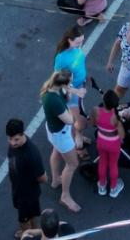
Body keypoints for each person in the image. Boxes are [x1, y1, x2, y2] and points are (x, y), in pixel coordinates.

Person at [39, 68, 82, 214]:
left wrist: (69, 91)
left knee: (56, 152)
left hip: (53, 131)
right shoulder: (54, 101)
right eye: (69, 82)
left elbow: (67, 99)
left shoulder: (52, 89)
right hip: (61, 135)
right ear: (63, 83)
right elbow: (71, 120)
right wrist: (73, 113)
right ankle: (65, 196)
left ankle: (56, 179)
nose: (71, 84)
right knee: (72, 164)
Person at [6, 118, 47, 237]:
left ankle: (26, 233)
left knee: (23, 219)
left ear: (23, 134)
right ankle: (33, 231)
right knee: (31, 214)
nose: (12, 143)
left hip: (27, 195)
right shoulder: (14, 146)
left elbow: (44, 178)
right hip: (19, 189)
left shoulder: (31, 154)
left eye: (16, 139)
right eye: (10, 139)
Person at [93, 89, 125, 198]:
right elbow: (122, 135)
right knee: (113, 165)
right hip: (113, 144)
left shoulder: (96, 110)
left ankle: (102, 186)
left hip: (101, 140)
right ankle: (113, 188)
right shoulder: (115, 118)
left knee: (102, 162)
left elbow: (92, 123)